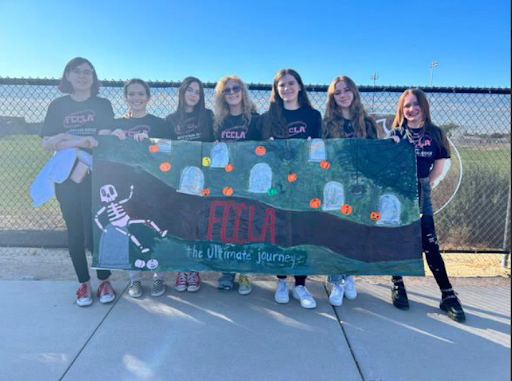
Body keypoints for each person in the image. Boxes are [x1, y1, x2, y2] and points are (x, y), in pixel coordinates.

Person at [40, 57, 115, 307]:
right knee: (75, 231)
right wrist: (79, 140)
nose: (83, 76)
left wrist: (65, 138)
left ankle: (104, 280)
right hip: (66, 176)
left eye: (88, 72)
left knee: (96, 231)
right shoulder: (58, 105)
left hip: (94, 175)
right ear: (68, 76)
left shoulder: (102, 104)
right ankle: (83, 283)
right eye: (77, 71)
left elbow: (101, 139)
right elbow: (46, 143)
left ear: (93, 78)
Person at [390, 88, 466, 323]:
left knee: (429, 242)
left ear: (423, 107)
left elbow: (438, 169)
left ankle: (448, 294)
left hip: (421, 190)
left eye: (415, 105)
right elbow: (387, 165)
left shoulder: (436, 134)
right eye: (406, 106)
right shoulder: (396, 133)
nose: (410, 109)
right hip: (398, 193)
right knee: (397, 239)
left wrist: (424, 186)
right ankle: (398, 283)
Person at [262, 69, 322, 309]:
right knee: (279, 230)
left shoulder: (313, 115)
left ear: (299, 87)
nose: (286, 88)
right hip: (277, 185)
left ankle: (300, 284)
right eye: (281, 85)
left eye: (290, 83)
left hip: (304, 183)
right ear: (276, 90)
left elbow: (318, 150)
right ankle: (281, 281)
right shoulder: (268, 118)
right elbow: (260, 151)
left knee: (302, 230)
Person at [109, 78, 170, 298]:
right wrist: (112, 137)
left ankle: (158, 277)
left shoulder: (159, 123)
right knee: (130, 231)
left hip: (153, 185)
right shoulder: (117, 124)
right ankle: (134, 280)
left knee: (154, 229)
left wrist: (152, 141)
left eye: (141, 94)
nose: (136, 98)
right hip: (127, 188)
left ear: (148, 97)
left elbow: (170, 149)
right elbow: (105, 150)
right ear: (125, 98)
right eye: (132, 94)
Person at [322, 75, 378, 307]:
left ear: (354, 93)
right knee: (336, 232)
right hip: (335, 184)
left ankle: (349, 275)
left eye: (346, 90)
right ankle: (336, 280)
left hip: (360, 186)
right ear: (332, 97)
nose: (343, 95)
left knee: (356, 231)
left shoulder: (368, 122)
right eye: (337, 92)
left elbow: (376, 155)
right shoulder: (326, 125)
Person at [165, 77, 214, 292]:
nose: (194, 95)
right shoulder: (171, 119)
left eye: (198, 92)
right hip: (180, 178)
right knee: (181, 222)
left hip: (203, 178)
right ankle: (181, 269)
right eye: (190, 90)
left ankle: (194, 269)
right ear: (182, 92)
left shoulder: (208, 116)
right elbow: (167, 149)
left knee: (199, 223)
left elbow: (213, 143)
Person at [213, 75, 261, 294]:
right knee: (227, 225)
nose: (232, 93)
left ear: (243, 91)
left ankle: (244, 274)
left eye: (236, 88)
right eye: (227, 90)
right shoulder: (219, 122)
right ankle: (227, 272)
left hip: (249, 181)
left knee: (246, 225)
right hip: (226, 182)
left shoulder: (255, 120)